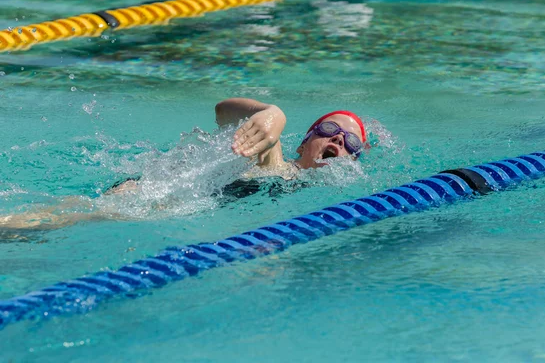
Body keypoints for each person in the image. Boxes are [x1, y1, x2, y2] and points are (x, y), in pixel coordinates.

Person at [0, 98, 367, 231]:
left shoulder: (328, 202)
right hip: (152, 193)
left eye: (349, 143)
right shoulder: (274, 155)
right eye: (330, 129)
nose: (338, 140)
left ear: (353, 163)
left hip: (170, 201)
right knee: (53, 220)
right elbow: (223, 112)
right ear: (305, 140)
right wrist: (273, 115)